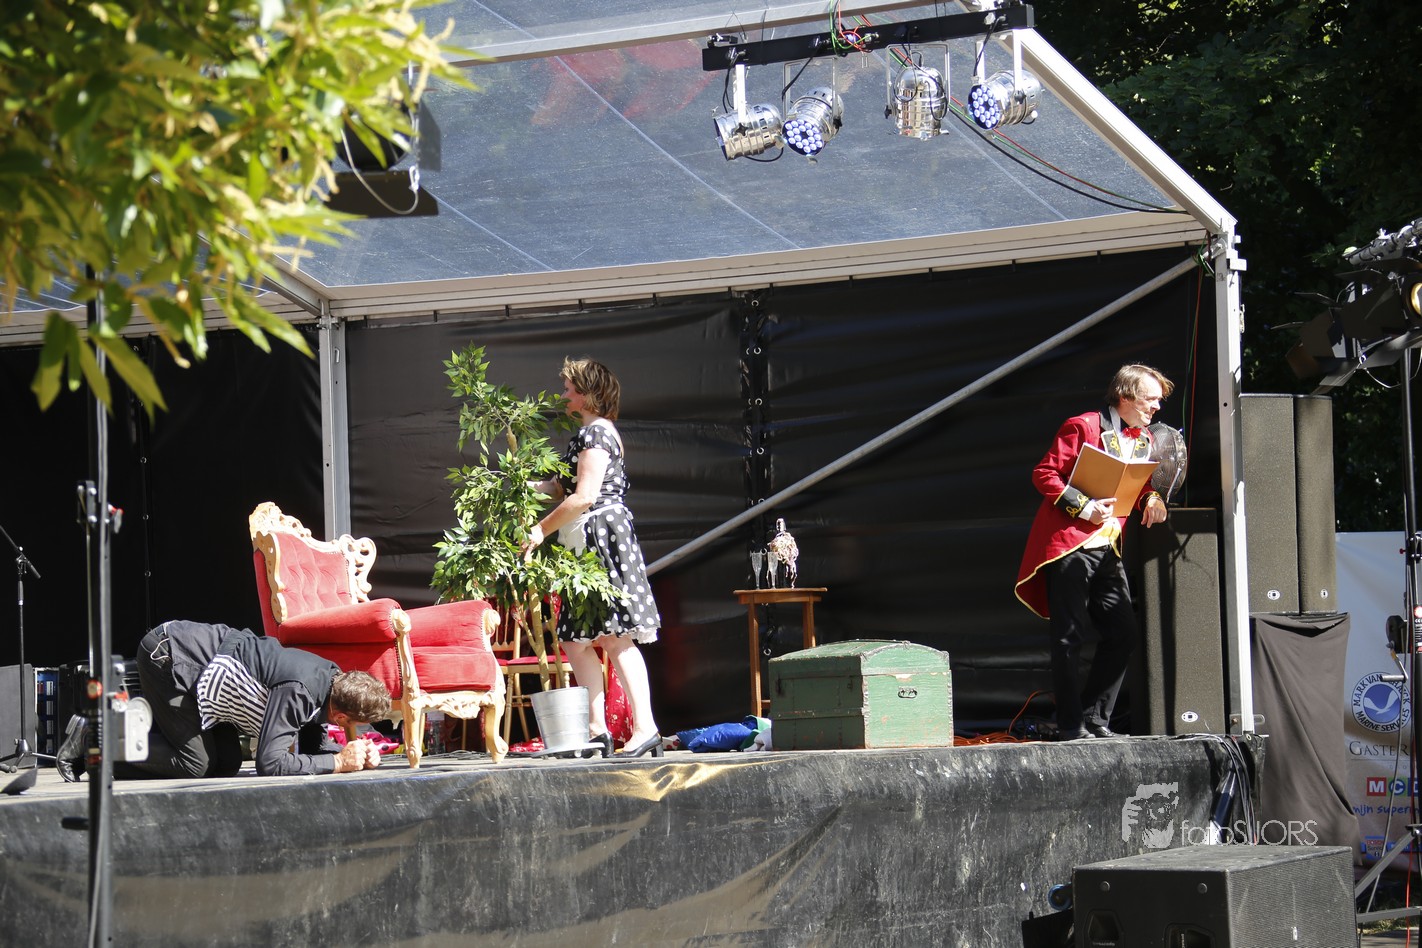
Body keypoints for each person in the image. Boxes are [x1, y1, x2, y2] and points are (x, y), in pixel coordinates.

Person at [1014, 364, 1173, 741]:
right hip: (1069, 545)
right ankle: (1071, 726)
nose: (1156, 407)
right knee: (1068, 636)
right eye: (1150, 400)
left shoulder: (1144, 438)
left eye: (1158, 401)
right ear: (1126, 396)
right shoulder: (1084, 425)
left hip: (1107, 547)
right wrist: (1084, 507)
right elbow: (1045, 474)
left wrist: (1151, 499)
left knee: (1123, 633)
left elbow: (1139, 482)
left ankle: (1094, 717)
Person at [522, 357, 664, 757]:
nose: (564, 394)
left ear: (587, 394)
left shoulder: (597, 432)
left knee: (616, 637)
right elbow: (562, 486)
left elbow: (584, 496)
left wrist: (540, 529)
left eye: (569, 388)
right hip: (585, 541)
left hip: (601, 537)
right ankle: (596, 731)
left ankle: (646, 728)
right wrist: (517, 486)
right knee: (575, 641)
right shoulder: (589, 433)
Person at [58, 619, 392, 780]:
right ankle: (94, 736)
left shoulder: (330, 682)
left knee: (226, 763)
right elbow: (271, 764)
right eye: (354, 726)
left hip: (206, 681)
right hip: (171, 657)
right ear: (342, 718)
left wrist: (357, 756)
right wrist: (338, 763)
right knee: (195, 764)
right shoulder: (300, 690)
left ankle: (101, 760)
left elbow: (310, 745)